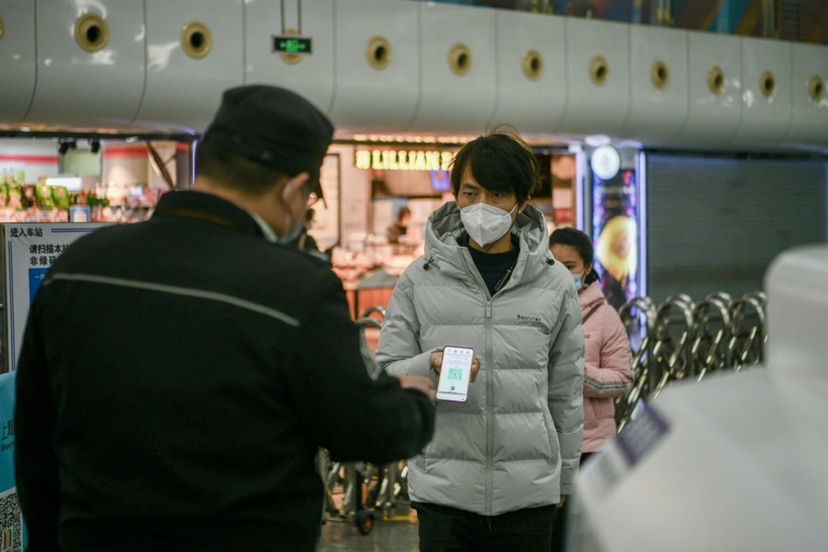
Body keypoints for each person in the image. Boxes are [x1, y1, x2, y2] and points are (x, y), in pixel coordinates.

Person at [14, 85, 436, 552]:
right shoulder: (296, 290)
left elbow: (35, 441)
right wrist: (415, 401)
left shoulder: (78, 267)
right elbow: (366, 430)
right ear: (295, 190)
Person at [375, 130, 585, 552]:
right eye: (470, 193)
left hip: (528, 494)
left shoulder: (555, 282)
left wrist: (564, 477)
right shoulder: (420, 278)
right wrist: (429, 362)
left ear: (522, 203)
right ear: (454, 196)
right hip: (444, 492)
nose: (482, 206)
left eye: (498, 194)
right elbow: (384, 370)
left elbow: (566, 389)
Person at [548, 226, 634, 552]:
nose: (559, 273)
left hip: (590, 446)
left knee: (579, 536)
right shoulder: (533, 311)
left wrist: (576, 373)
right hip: (545, 444)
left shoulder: (604, 316)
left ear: (585, 268)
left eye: (568, 266)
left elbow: (623, 378)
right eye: (552, 264)